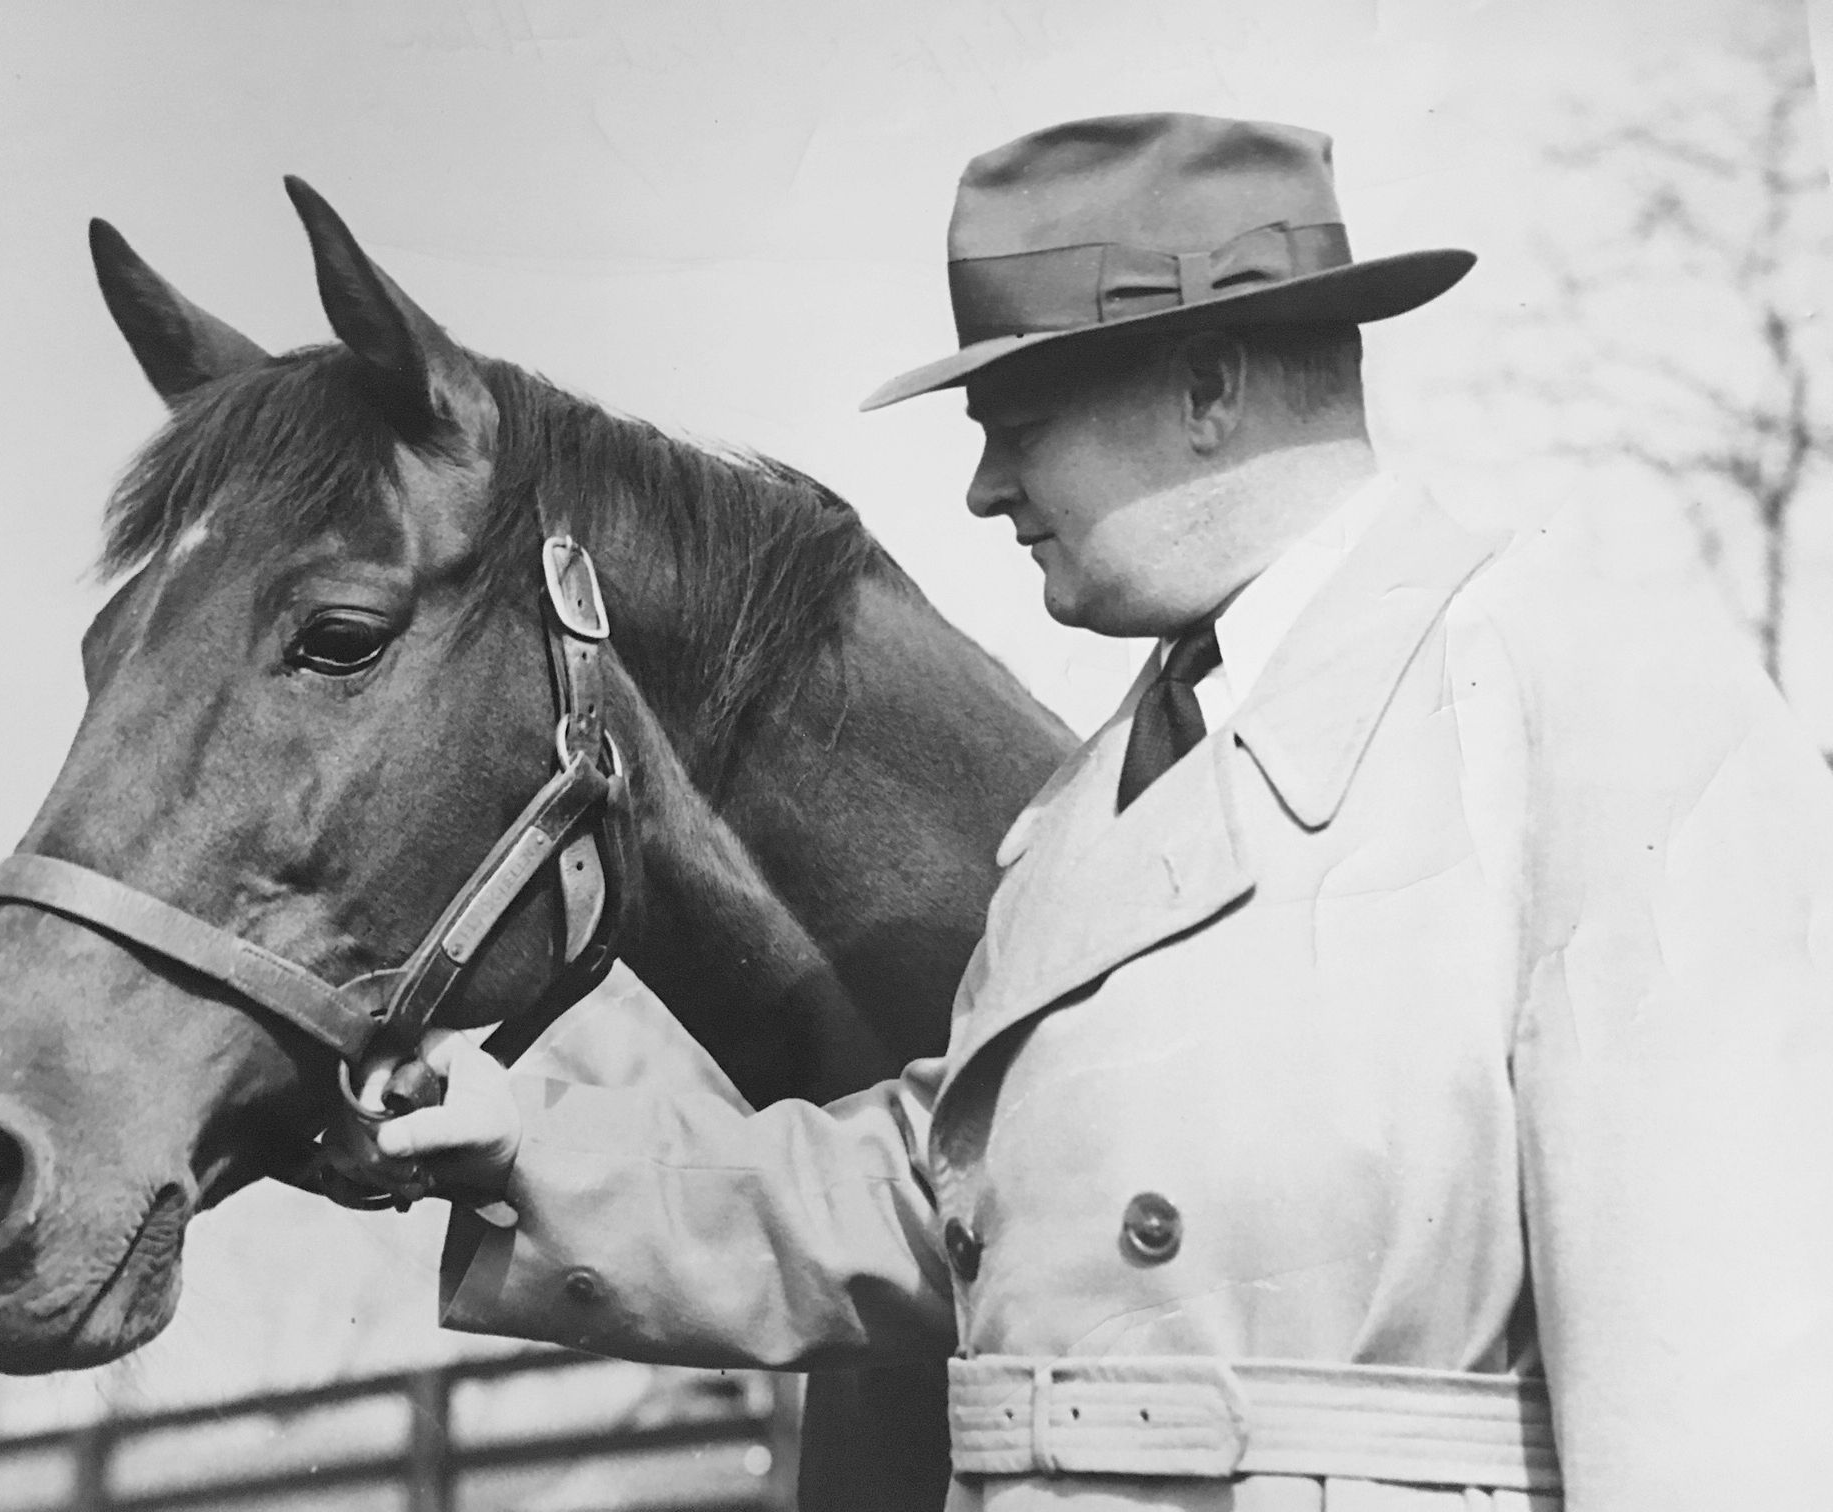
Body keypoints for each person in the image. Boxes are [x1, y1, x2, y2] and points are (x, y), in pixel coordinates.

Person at [380, 113, 1833, 1510]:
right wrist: (528, 1147)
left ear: (1208, 387)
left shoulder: (1595, 704)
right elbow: (932, 1198)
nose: (981, 487)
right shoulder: (1090, 805)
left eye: (1021, 419)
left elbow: (1726, 1396)